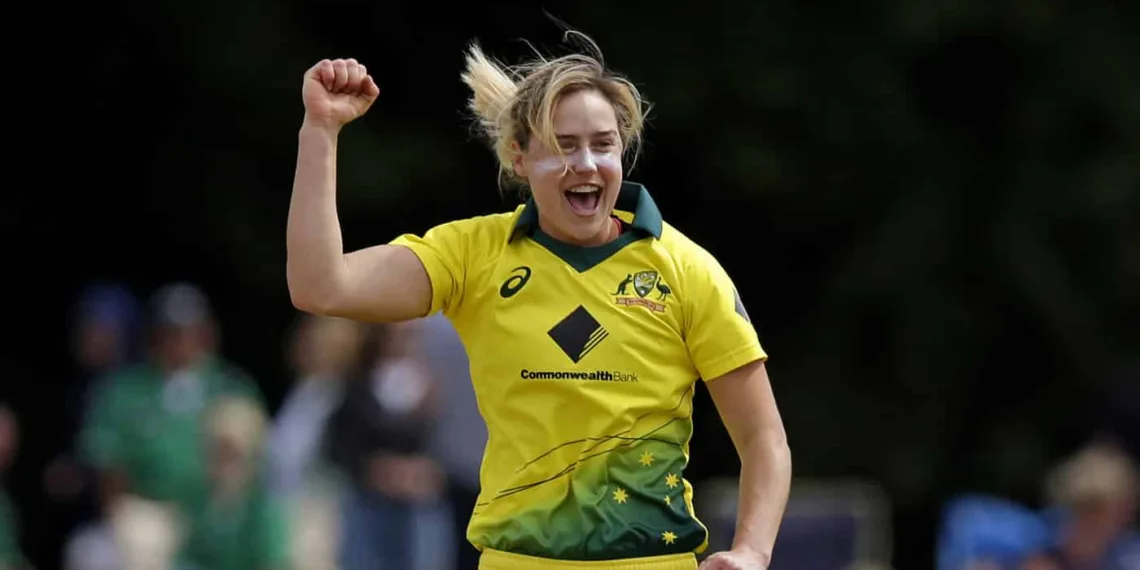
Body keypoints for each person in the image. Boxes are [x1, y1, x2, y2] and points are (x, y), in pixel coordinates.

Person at [286, 30, 792, 570]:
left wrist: (753, 552)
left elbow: (763, 438)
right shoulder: (474, 254)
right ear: (519, 158)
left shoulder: (687, 269)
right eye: (563, 145)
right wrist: (321, 130)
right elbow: (321, 286)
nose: (587, 164)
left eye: (603, 144)